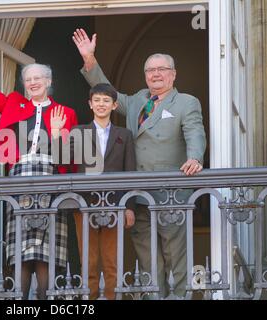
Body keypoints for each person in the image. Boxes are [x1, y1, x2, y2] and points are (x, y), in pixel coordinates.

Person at [72, 28, 207, 298]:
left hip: (171, 192)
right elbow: (107, 94)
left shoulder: (185, 102)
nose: (156, 74)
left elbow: (195, 131)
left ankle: (180, 297)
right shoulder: (137, 101)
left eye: (162, 69)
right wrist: (90, 60)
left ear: (173, 74)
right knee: (147, 257)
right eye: (150, 71)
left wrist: (195, 157)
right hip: (139, 193)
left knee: (175, 255)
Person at [0, 25, 78, 300]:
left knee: (45, 255)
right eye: (28, 79)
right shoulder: (14, 104)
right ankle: (20, 303)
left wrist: (57, 136)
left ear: (49, 81)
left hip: (50, 181)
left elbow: (71, 158)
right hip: (20, 178)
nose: (33, 83)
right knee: (20, 252)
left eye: (38, 78)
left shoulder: (65, 112)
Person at [51, 83, 137, 299]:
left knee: (111, 260)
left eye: (106, 101)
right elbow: (60, 158)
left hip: (115, 203)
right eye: (97, 100)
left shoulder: (124, 135)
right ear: (90, 104)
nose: (101, 104)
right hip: (85, 203)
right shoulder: (78, 131)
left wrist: (129, 207)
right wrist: (54, 133)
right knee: (87, 260)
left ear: (114, 105)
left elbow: (131, 172)